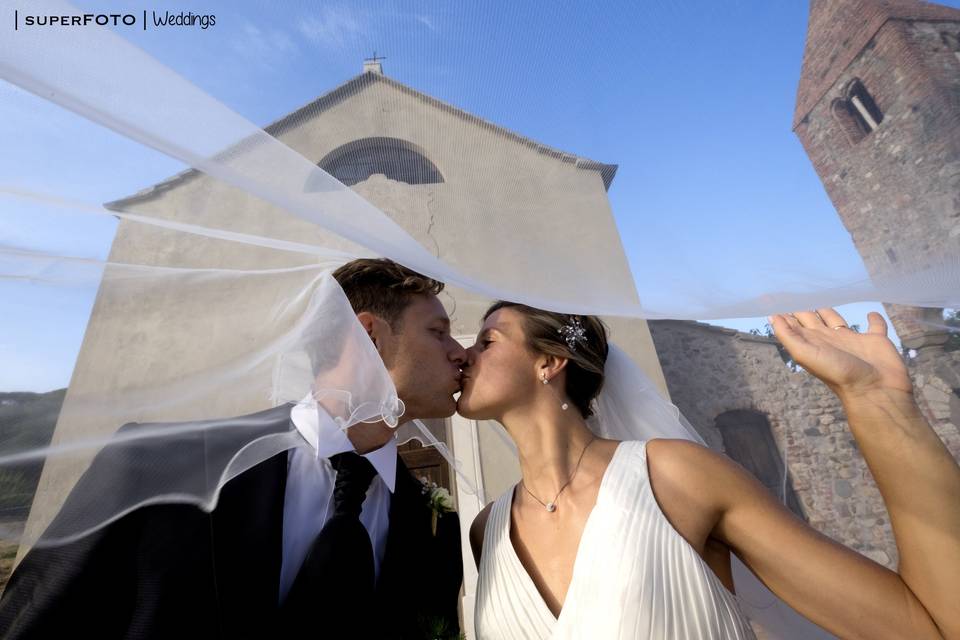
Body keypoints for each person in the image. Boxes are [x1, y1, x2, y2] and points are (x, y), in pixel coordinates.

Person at [0, 258, 466, 639]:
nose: (460, 352)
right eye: (438, 331)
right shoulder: (157, 462)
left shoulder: (432, 525)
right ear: (369, 335)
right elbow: (37, 620)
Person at [461, 302, 960, 639]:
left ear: (548, 362)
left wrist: (876, 402)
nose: (463, 356)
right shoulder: (489, 531)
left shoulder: (674, 475)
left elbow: (921, 625)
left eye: (487, 341)